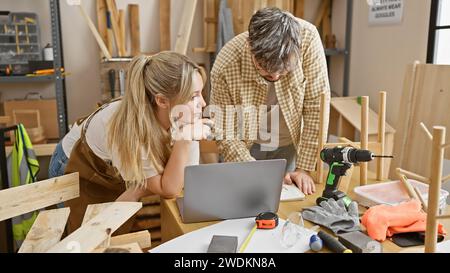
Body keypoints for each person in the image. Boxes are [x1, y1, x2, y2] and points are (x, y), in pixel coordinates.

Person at [58, 52, 212, 232]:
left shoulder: (181, 115)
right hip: (76, 165)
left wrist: (187, 137)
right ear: (162, 100)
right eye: (193, 96)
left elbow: (186, 177)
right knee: (88, 236)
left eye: (201, 93)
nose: (203, 103)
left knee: (122, 213)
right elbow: (169, 189)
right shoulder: (130, 128)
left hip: (116, 167)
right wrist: (185, 141)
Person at [210, 7, 330, 195]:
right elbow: (225, 131)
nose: (274, 75)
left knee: (286, 201)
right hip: (246, 145)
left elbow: (317, 106)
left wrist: (303, 168)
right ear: (250, 46)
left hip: (290, 141)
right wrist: (256, 172)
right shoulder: (226, 64)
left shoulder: (308, 38)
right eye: (264, 68)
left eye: (283, 70)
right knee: (246, 199)